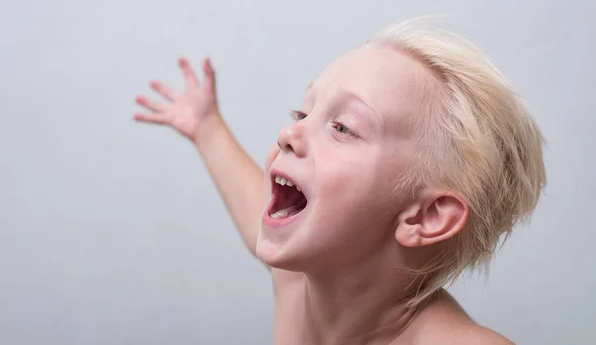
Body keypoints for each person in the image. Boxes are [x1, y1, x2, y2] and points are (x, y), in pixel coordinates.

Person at [133, 18, 545, 344]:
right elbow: (250, 205)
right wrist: (207, 128)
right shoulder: (295, 282)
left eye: (344, 128)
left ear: (426, 215)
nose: (288, 133)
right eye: (302, 113)